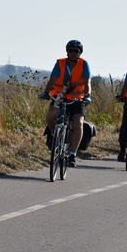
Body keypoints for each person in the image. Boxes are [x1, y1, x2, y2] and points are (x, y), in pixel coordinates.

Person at [40, 40, 91, 168]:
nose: (73, 53)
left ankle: (73, 153)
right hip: (60, 97)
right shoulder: (60, 63)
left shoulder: (84, 64)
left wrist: (87, 95)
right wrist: (46, 93)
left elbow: (87, 82)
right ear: (67, 51)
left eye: (76, 51)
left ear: (80, 53)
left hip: (77, 99)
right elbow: (52, 79)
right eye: (71, 51)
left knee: (78, 122)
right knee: (51, 114)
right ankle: (54, 135)